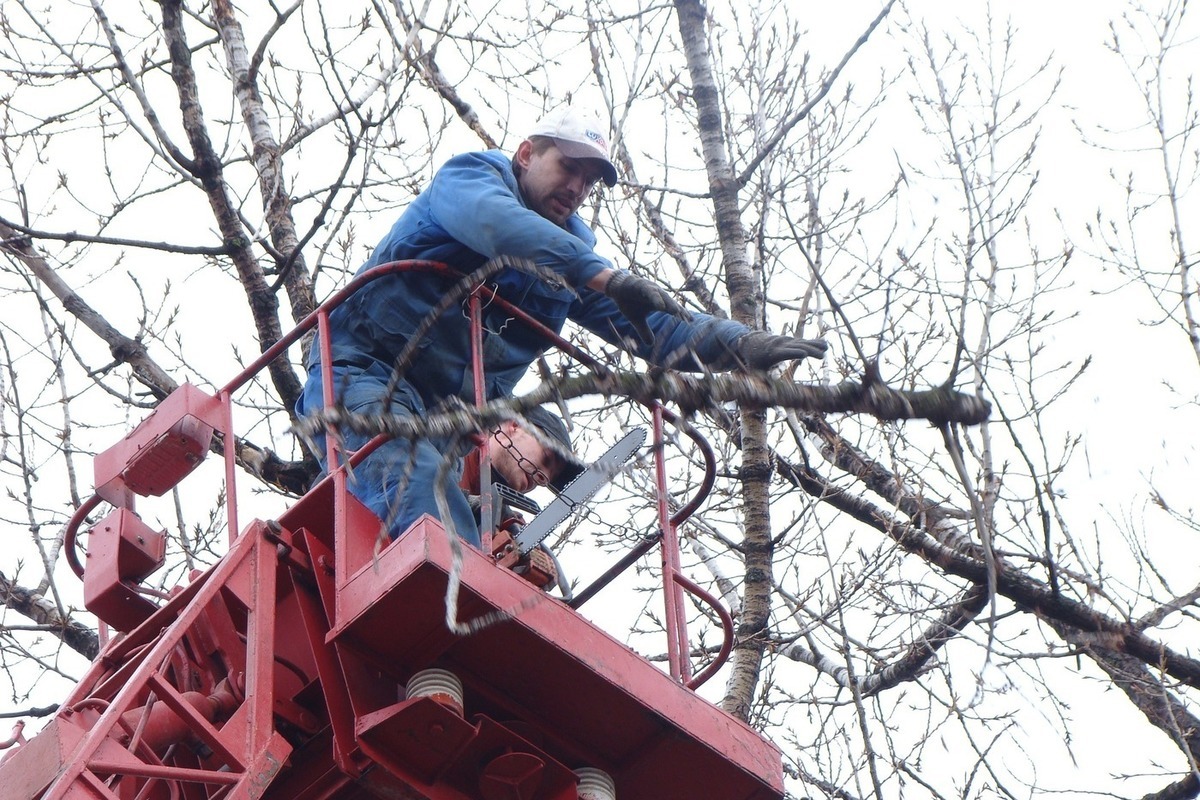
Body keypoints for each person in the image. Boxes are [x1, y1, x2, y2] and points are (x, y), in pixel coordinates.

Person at [297, 104, 826, 548]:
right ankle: (447, 587)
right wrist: (600, 275)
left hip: (454, 417)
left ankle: (506, 509)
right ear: (526, 154)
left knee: (537, 431)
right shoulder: (469, 180)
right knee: (413, 489)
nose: (577, 186)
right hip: (364, 375)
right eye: (568, 167)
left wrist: (739, 345)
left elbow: (657, 330)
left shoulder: (573, 260)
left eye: (589, 180)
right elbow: (496, 225)